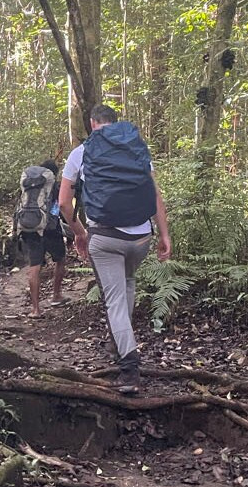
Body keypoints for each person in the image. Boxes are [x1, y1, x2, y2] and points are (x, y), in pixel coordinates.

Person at [59, 105, 171, 393]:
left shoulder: (81, 152)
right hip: (141, 237)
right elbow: (154, 194)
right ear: (115, 123)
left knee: (114, 300)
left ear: (93, 123)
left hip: (105, 238)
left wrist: (79, 233)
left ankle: (129, 368)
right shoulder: (134, 149)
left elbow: (63, 204)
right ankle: (120, 341)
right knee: (128, 283)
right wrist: (164, 234)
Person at [19, 159, 67, 319]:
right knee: (60, 259)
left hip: (29, 226)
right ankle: (56, 295)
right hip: (50, 228)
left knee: (34, 267)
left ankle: (35, 309)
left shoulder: (28, 184)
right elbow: (58, 206)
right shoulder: (53, 185)